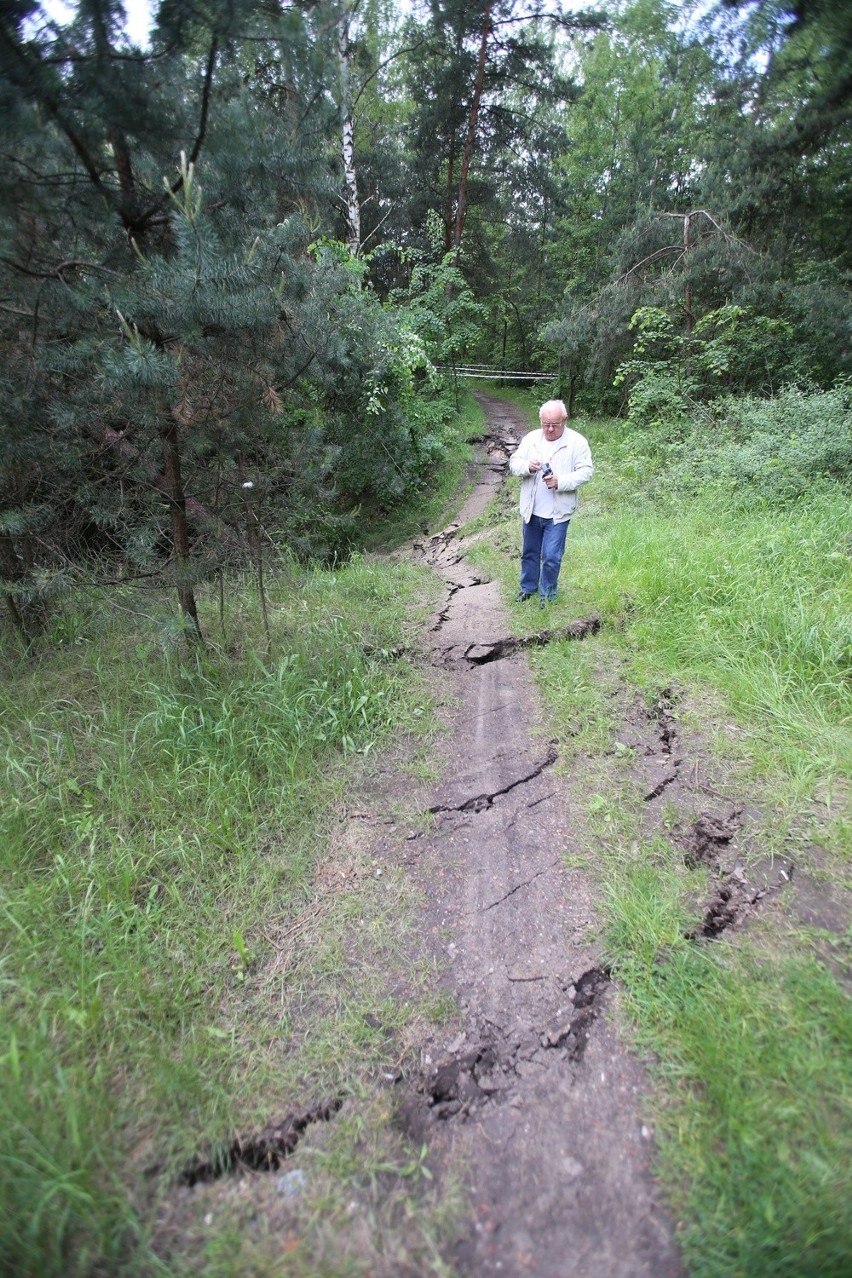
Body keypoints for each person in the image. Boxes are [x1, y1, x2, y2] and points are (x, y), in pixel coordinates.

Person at [508, 399, 594, 604]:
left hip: (558, 512)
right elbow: (514, 463)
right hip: (532, 509)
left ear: (564, 420)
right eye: (545, 424)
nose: (549, 429)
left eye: (555, 424)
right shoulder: (531, 439)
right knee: (529, 553)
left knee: (552, 557)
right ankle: (527, 588)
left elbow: (586, 472)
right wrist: (528, 466)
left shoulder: (577, 442)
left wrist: (560, 481)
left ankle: (548, 595)